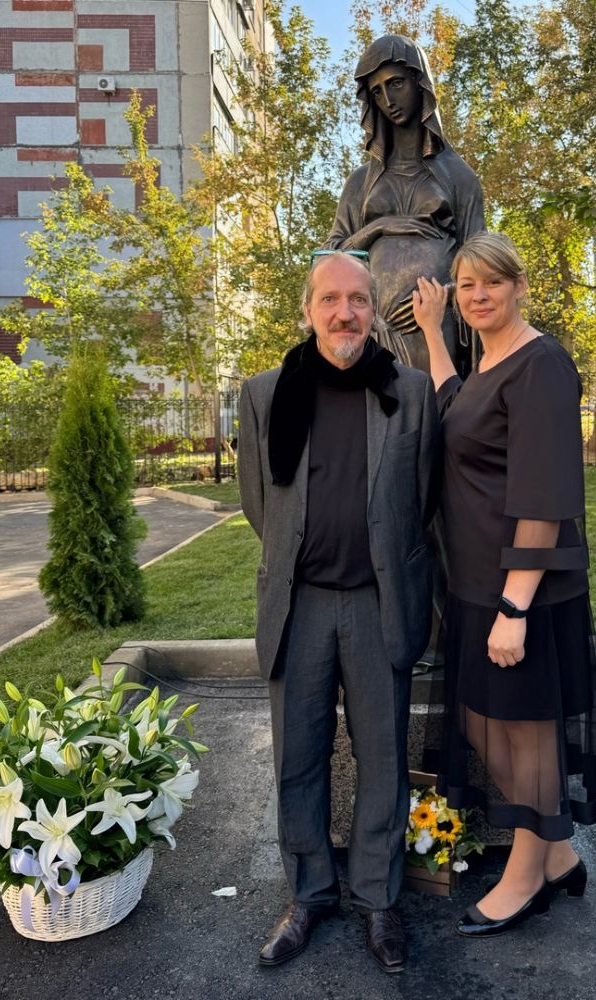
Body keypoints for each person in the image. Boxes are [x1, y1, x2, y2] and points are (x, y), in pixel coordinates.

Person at [238, 250, 439, 972]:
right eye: (330, 299)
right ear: (308, 310)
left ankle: (378, 898)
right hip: (300, 607)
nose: (344, 313)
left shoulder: (409, 392)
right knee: (298, 757)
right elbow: (259, 504)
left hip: (380, 606)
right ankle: (309, 894)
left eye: (358, 299)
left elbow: (423, 499)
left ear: (373, 311)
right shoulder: (265, 394)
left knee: (382, 759)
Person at [411, 231, 596, 937]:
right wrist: (431, 332)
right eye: (466, 285)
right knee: (479, 721)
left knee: (527, 733)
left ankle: (526, 876)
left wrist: (514, 607)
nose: (478, 296)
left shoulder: (541, 364)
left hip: (523, 592)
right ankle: (557, 854)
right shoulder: (487, 362)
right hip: (474, 584)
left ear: (519, 286)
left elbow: (544, 496)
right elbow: (452, 406)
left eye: (491, 283)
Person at [326, 34, 485, 377]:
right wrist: (379, 227)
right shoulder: (359, 183)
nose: (388, 100)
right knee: (373, 406)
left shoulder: (458, 177)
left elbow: (482, 264)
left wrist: (440, 297)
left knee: (433, 403)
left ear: (419, 81)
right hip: (371, 326)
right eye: (377, 92)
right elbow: (330, 257)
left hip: (435, 325)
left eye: (396, 83)